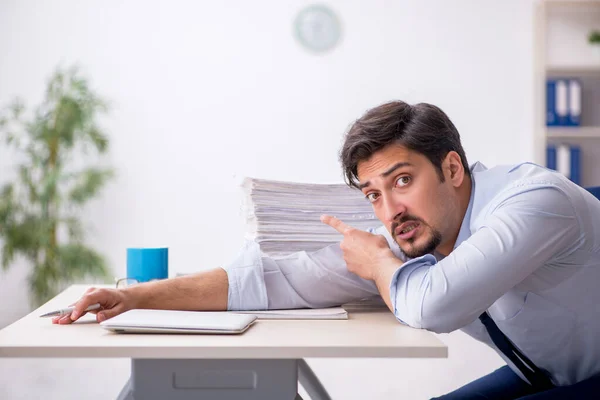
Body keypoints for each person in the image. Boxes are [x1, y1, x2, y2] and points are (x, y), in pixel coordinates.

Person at [56, 101, 600, 399]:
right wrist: (135, 298)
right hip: (545, 373)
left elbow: (433, 304)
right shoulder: (416, 231)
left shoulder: (534, 202)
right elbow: (275, 279)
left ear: (452, 168)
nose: (388, 211)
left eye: (402, 180)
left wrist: (381, 263)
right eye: (373, 195)